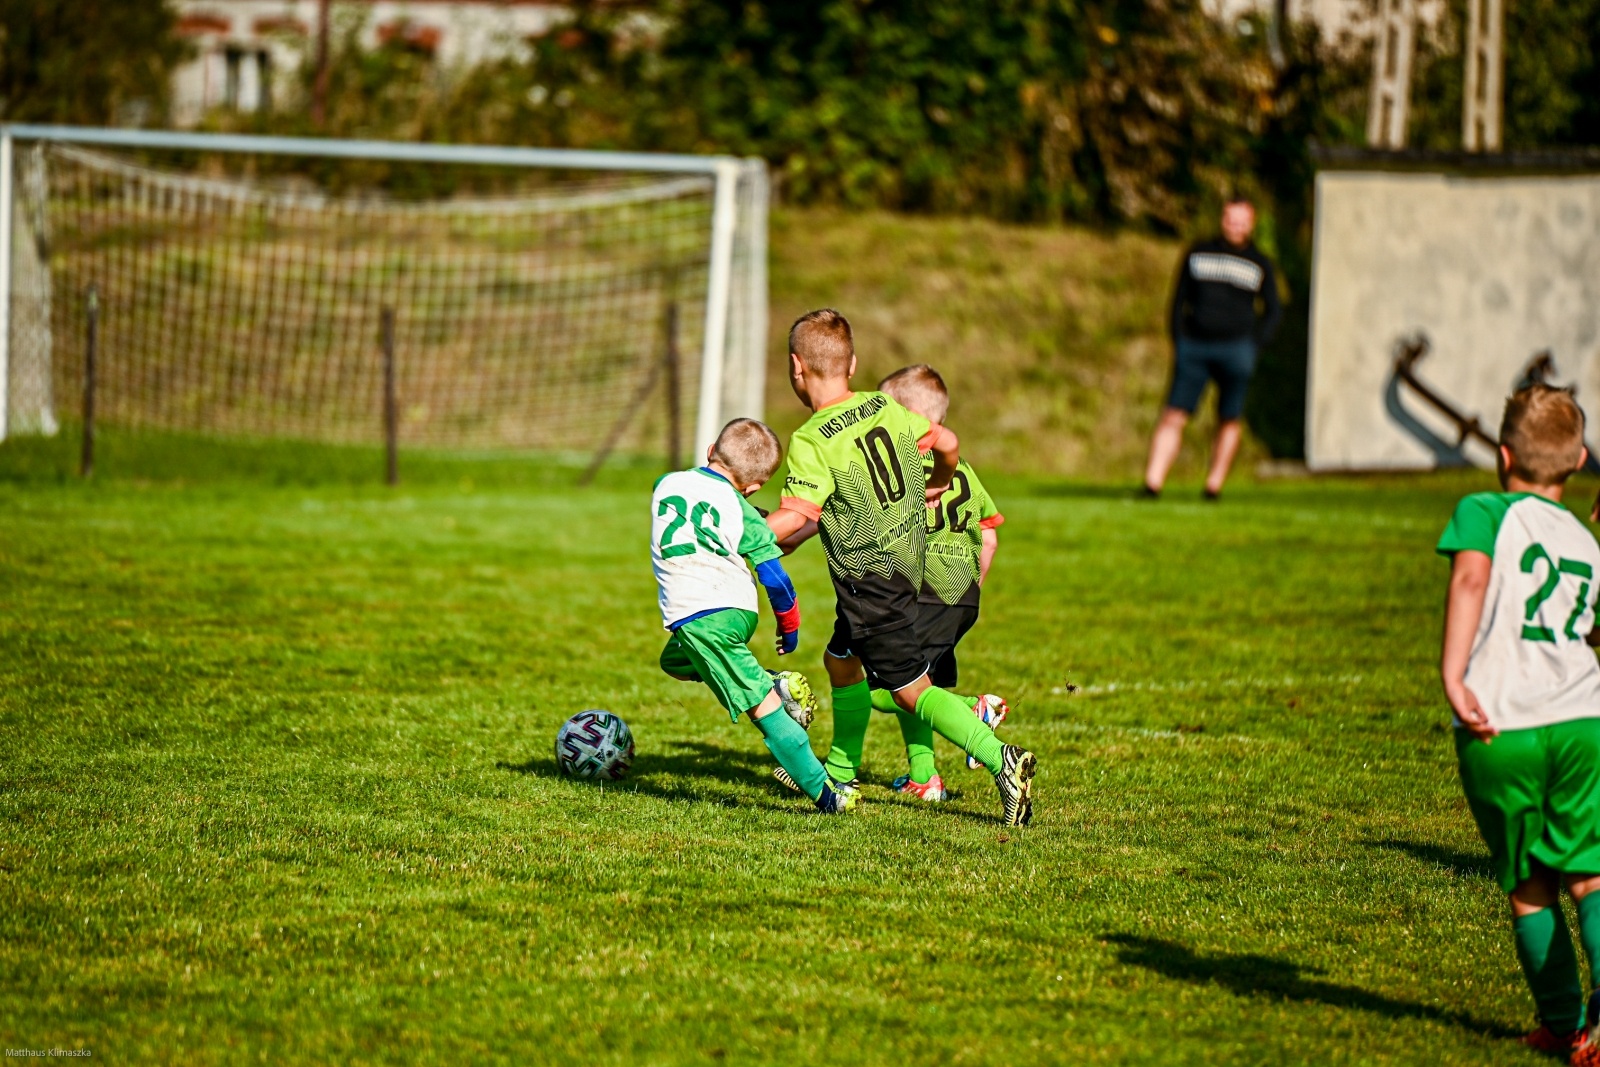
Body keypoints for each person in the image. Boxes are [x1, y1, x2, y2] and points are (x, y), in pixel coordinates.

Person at [765, 309, 1037, 826]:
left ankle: (1002, 757)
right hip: (907, 568)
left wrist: (739, 535)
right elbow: (949, 443)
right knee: (840, 663)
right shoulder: (882, 407)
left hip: (871, 585)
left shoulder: (812, 439)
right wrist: (938, 478)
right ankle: (839, 773)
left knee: (911, 693)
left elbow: (797, 515)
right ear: (853, 364)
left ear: (797, 368)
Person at [1437, 384, 1600, 1061]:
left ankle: (1563, 1022)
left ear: (1502, 454)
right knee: (1591, 875)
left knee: (1530, 885)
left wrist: (1453, 673)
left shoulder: (1483, 508)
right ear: (1580, 458)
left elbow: (1471, 580)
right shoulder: (1584, 538)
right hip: (1583, 723)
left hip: (1498, 723)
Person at [651, 417, 857, 815]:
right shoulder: (741, 509)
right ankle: (770, 682)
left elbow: (690, 497)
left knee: (762, 711)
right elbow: (776, 578)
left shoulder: (666, 483)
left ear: (711, 449)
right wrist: (789, 626)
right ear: (755, 487)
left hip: (701, 616)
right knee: (674, 661)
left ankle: (828, 796)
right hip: (733, 610)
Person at [1143, 197, 1282, 501]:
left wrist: (1255, 346)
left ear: (1251, 224)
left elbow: (1273, 309)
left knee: (1229, 418)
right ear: (1222, 219)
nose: (1235, 225)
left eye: (1242, 220)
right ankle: (1152, 484)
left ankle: (1213, 486)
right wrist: (1179, 337)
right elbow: (1178, 300)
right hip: (1195, 347)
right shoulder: (1198, 253)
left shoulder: (1260, 263)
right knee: (1174, 414)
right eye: (1231, 219)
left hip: (1237, 350)